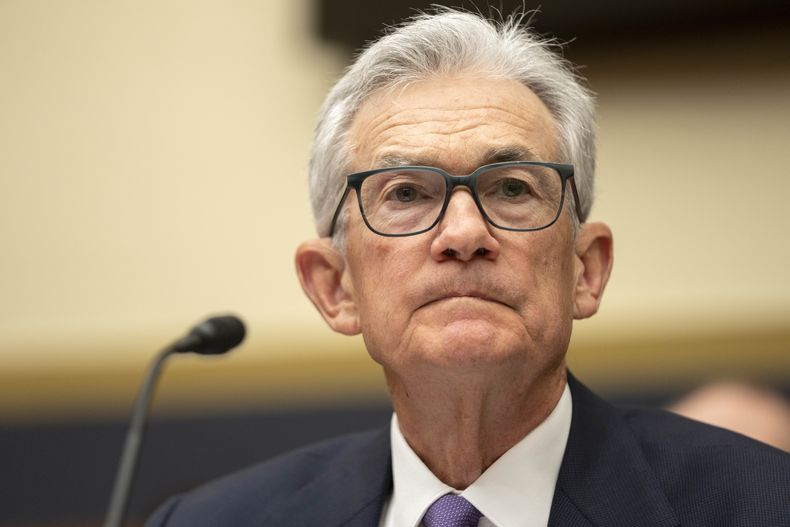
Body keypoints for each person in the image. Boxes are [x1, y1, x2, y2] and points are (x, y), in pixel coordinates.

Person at [146, 9, 790, 527]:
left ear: (586, 271)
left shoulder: (763, 505)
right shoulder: (215, 519)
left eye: (512, 188)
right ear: (335, 287)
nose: (463, 233)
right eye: (404, 193)